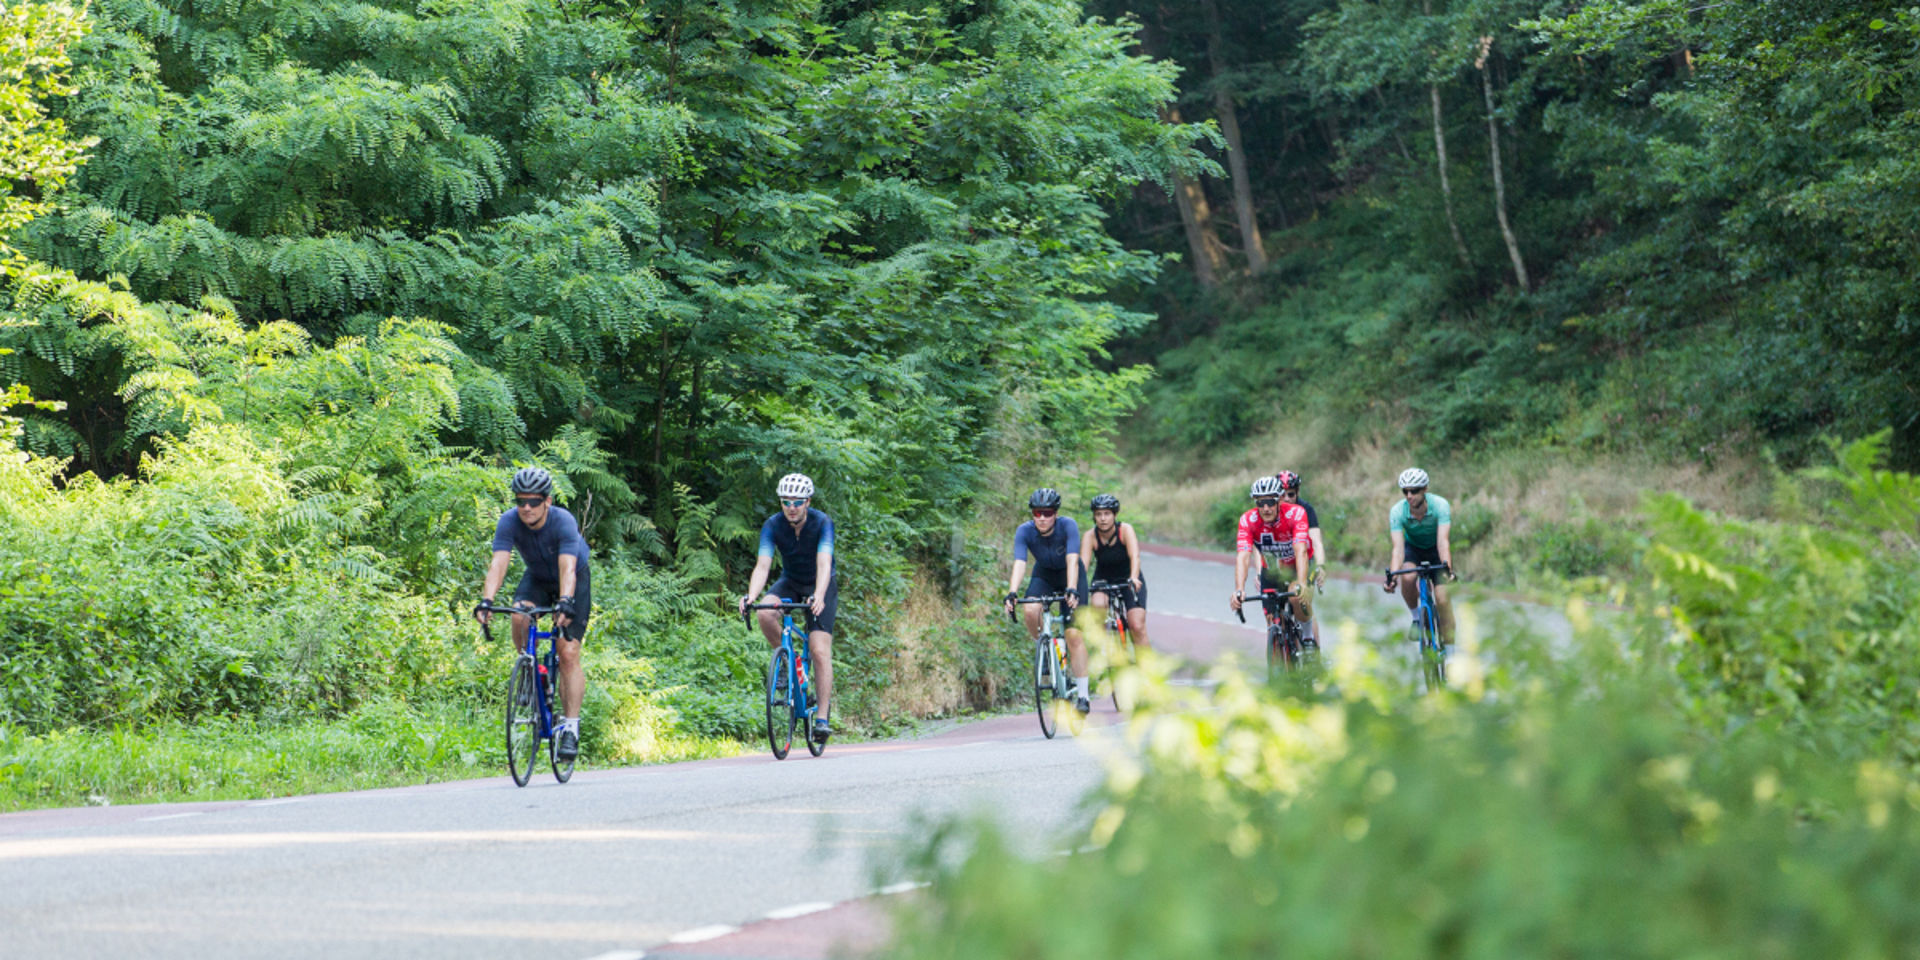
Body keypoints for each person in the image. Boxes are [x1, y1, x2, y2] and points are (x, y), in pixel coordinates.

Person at [476, 466, 591, 761]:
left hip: (572, 578)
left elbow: (568, 567)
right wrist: (487, 600)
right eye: (520, 501)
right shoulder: (509, 521)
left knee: (567, 653)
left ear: (547, 502)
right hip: (538, 578)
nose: (526, 507)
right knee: (519, 615)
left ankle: (570, 728)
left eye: (533, 502)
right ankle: (531, 671)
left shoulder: (563, 521)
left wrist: (566, 601)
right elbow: (498, 563)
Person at [740, 473, 838, 743]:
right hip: (791, 582)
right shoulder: (772, 525)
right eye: (786, 502)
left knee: (819, 650)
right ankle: (786, 661)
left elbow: (824, 564)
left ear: (807, 501)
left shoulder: (822, 523)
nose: (791, 507)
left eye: (796, 502)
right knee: (764, 610)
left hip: (820, 584)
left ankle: (822, 718)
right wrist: (750, 596)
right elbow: (763, 565)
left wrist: (818, 596)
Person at [1004, 488, 1089, 715]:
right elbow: (1020, 562)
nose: (1042, 518)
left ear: (1055, 513)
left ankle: (1083, 695)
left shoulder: (1067, 525)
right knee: (1031, 610)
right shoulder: (1024, 531)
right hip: (1044, 575)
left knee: (1073, 635)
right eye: (1037, 513)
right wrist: (1012, 592)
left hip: (1071, 575)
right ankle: (1043, 645)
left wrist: (1071, 588)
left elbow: (1072, 559)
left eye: (1047, 513)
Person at [1384, 467, 1456, 643]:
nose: (1409, 496)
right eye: (1405, 491)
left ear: (1425, 489)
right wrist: (1392, 576)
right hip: (1413, 549)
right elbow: (1398, 549)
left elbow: (1443, 542)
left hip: (1435, 549)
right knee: (1407, 578)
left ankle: (1451, 654)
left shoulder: (1440, 505)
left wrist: (1448, 569)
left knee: (1442, 599)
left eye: (1414, 491)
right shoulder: (1397, 511)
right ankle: (1417, 617)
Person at [1230, 475, 1313, 627]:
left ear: (1280, 500)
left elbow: (1300, 550)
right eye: (1261, 503)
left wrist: (1302, 583)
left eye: (1270, 502)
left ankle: (1308, 640)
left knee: (1296, 596)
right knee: (1272, 622)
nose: (1266, 508)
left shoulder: (1296, 514)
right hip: (1272, 570)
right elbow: (1243, 557)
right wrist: (1239, 589)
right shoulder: (1248, 521)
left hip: (1298, 566)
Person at [1079, 492, 1150, 654]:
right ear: (1094, 517)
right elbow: (1083, 565)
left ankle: (1147, 670)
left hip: (1129, 578)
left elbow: (1135, 556)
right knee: (1097, 608)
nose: (1103, 518)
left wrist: (1133, 576)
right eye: (1098, 514)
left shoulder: (1125, 530)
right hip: (1103, 580)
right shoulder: (1090, 536)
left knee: (1137, 625)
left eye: (1107, 514)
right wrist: (1076, 586)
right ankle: (1103, 654)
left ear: (1114, 515)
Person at [1275, 470, 1327, 647]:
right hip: (1282, 565)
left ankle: (1311, 644)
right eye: (1282, 494)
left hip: (1305, 562)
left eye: (1291, 494)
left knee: (1300, 600)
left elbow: (1316, 542)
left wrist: (1321, 566)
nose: (1286, 498)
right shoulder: (1270, 511)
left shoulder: (1306, 509)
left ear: (1297, 493)